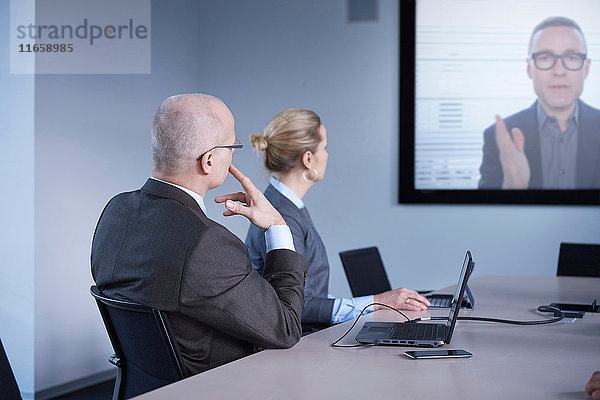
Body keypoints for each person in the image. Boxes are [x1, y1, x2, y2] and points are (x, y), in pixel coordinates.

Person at [91, 94, 310, 375]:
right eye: (232, 146)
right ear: (208, 161)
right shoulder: (206, 243)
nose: (233, 153)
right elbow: (286, 328)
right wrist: (278, 227)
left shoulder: (116, 212)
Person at [245, 108, 430, 332]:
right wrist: (377, 301)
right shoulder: (282, 214)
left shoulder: (285, 204)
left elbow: (309, 293)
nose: (327, 155)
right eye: (325, 147)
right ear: (308, 159)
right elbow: (298, 306)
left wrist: (369, 305)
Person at [478, 16, 600, 189]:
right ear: (529, 69)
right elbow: (488, 215)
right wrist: (511, 193)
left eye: (572, 57)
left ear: (586, 68)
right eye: (545, 58)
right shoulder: (499, 139)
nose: (559, 71)